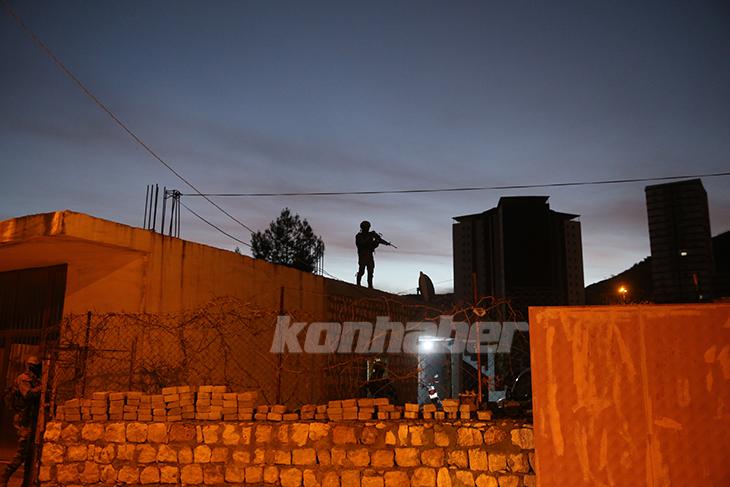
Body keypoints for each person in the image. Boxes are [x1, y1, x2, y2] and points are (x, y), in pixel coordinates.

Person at [1, 356, 42, 487]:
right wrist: (42, 388)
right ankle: (4, 476)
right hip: (23, 420)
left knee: (30, 454)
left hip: (31, 420)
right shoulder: (23, 379)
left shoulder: (35, 380)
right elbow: (28, 394)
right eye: (34, 367)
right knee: (22, 452)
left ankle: (25, 482)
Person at [355, 220, 389, 288]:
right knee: (361, 271)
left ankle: (370, 286)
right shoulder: (359, 236)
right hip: (363, 255)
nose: (367, 229)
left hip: (369, 255)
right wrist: (371, 237)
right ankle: (358, 284)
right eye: (366, 227)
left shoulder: (370, 235)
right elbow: (362, 243)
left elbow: (374, 244)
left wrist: (378, 241)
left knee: (370, 271)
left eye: (368, 227)